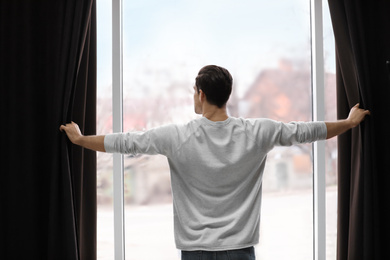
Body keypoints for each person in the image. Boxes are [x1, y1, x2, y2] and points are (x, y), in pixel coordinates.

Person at [60, 65, 370, 260]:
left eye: (194, 93)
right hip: (240, 251)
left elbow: (124, 141)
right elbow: (309, 131)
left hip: (195, 252)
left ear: (201, 94)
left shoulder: (175, 136)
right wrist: (349, 122)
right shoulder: (258, 131)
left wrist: (80, 139)